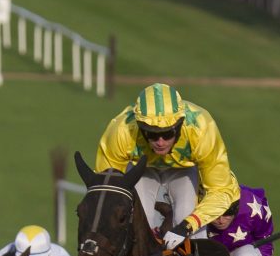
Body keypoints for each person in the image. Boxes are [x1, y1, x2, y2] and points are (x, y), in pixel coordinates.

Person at [96, 82, 240, 247]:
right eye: (152, 134)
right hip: (143, 170)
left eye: (167, 134)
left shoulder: (202, 128)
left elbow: (221, 191)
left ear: (179, 126)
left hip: (183, 171)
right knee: (138, 224)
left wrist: (187, 226)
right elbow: (105, 190)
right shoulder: (120, 130)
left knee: (192, 227)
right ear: (141, 128)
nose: (160, 142)